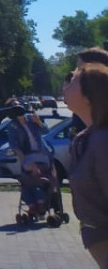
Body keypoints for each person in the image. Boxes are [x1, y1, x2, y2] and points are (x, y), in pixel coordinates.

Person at [65, 61, 108, 267]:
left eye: (72, 80)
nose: (65, 85)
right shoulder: (86, 138)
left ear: (88, 96)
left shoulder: (103, 141)